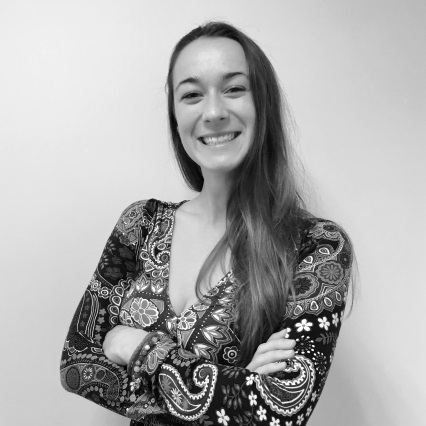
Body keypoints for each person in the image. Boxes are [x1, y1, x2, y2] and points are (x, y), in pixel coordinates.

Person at [60, 21, 353, 426]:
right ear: (176, 117)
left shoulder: (318, 246)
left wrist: (140, 347)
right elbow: (76, 365)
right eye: (192, 95)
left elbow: (282, 406)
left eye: (234, 89)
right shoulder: (140, 224)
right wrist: (238, 389)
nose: (213, 112)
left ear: (263, 104)